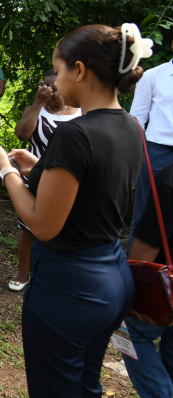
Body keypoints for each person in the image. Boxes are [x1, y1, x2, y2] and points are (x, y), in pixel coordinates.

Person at [0, 23, 151, 397]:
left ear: (79, 70)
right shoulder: (130, 126)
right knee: (86, 385)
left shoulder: (75, 134)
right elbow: (93, 187)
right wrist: (37, 167)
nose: (55, 80)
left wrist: (6, 169)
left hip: (69, 287)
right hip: (113, 278)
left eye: (58, 70)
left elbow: (42, 224)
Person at [9, 70, 80, 291]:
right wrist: (38, 103)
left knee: (66, 226)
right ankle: (23, 272)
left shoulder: (80, 113)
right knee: (27, 226)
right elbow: (22, 134)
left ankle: (59, 273)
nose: (48, 89)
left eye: (53, 85)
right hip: (34, 177)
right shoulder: (38, 109)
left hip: (66, 178)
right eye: (45, 85)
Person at [123, 162, 173, 398]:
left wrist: (130, 294)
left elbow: (146, 244)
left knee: (129, 333)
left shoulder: (168, 179)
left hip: (165, 287)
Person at [129, 38, 173, 243]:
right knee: (147, 210)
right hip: (157, 152)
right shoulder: (153, 76)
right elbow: (137, 119)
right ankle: (139, 270)